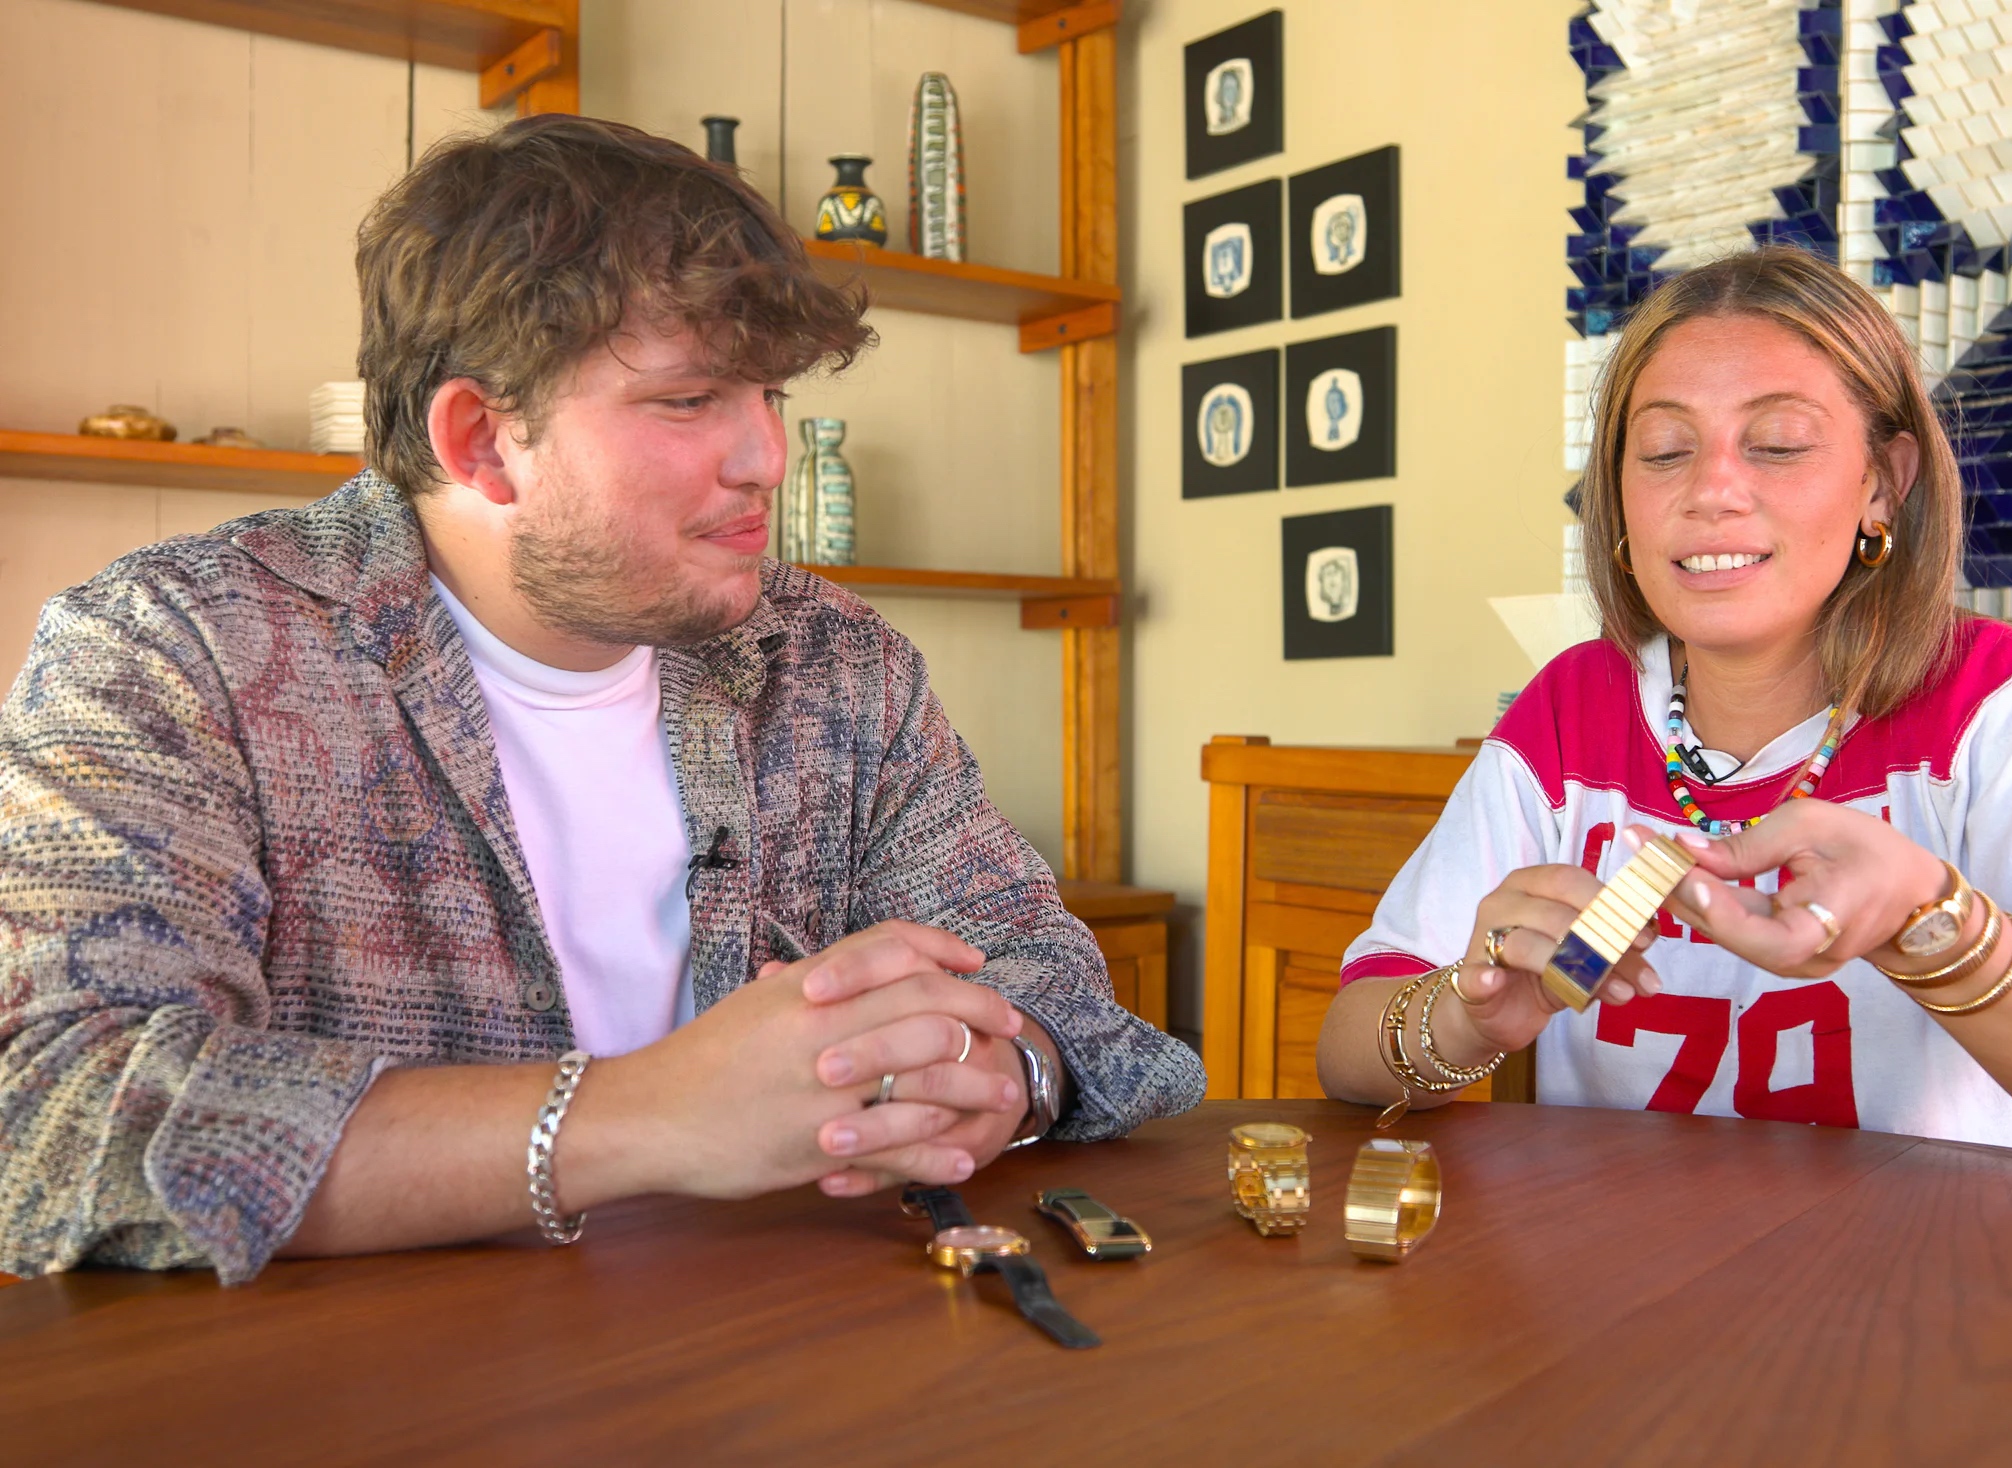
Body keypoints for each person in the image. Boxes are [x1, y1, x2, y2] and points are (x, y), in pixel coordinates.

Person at [0, 115, 1202, 1286]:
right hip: (361, 1381)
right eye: (690, 399)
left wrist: (1006, 1072)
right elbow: (54, 1114)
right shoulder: (176, 650)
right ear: (482, 442)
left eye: (770, 397)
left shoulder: (834, 663)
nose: (766, 459)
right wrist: (645, 1115)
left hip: (778, 1345)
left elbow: (1056, 988)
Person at [1317, 246, 2012, 1170]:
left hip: (1930, 1256)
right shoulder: (1568, 711)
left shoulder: (1987, 699)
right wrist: (1467, 1014)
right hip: (1615, 1253)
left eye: (1777, 444)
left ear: (1882, 483)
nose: (1711, 491)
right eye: (1665, 452)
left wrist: (1924, 922)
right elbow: (1346, 1051)